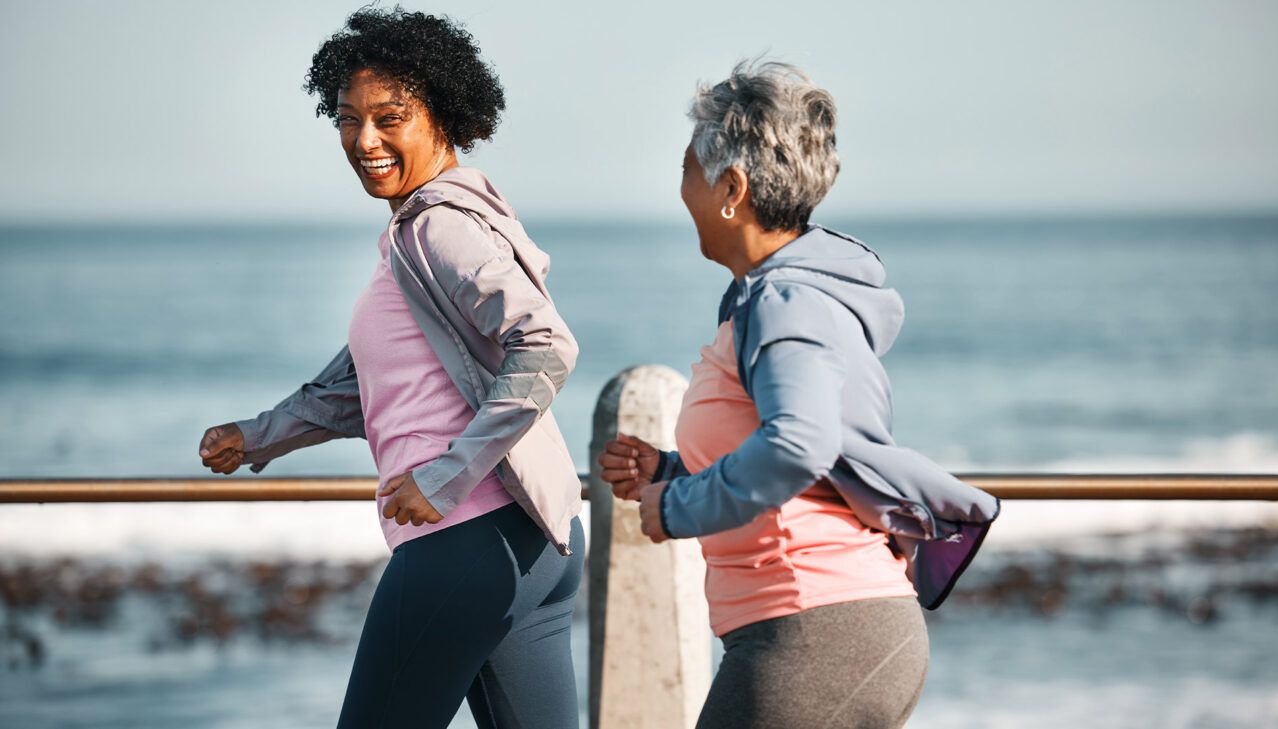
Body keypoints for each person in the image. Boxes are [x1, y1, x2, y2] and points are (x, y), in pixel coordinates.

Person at [196, 9, 584, 729]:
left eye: (389, 117)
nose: (364, 140)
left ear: (444, 113)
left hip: (465, 540)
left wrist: (443, 478)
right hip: (534, 544)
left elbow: (546, 345)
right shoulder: (421, 233)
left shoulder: (441, 226)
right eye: (348, 119)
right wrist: (259, 435)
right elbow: (359, 386)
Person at [598, 61, 1000, 729]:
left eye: (686, 174)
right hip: (820, 626)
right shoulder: (787, 296)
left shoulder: (785, 299)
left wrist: (676, 504)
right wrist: (668, 469)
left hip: (815, 628)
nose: (680, 192)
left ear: (732, 188)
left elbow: (799, 443)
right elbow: (808, 454)